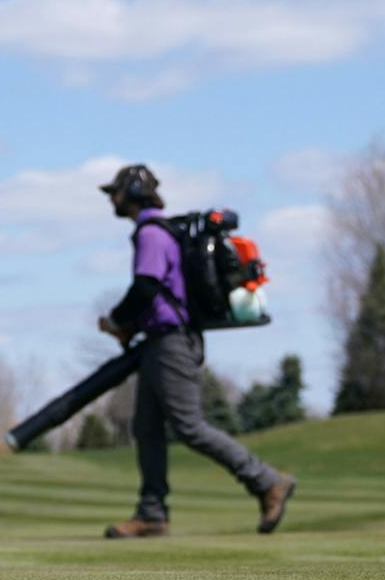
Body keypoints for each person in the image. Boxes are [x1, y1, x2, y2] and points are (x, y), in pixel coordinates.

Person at [95, 163, 296, 539]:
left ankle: (267, 481)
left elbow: (146, 288)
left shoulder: (151, 234)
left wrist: (118, 321)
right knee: (148, 429)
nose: (112, 200)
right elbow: (158, 295)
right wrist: (133, 326)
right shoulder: (156, 231)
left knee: (188, 425)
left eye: (116, 193)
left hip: (172, 342)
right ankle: (152, 513)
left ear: (134, 193)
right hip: (161, 340)